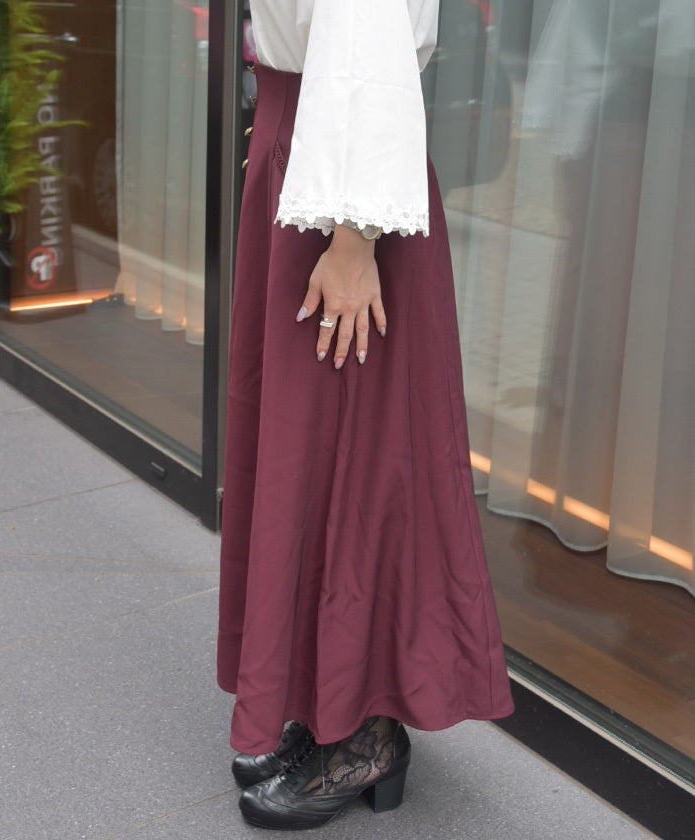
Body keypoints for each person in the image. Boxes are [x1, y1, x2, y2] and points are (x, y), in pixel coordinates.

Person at [217, 0, 514, 830]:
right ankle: (322, 702)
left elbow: (366, 39)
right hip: (316, 166)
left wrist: (353, 240)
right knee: (313, 455)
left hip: (344, 203)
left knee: (355, 459)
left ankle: (367, 733)